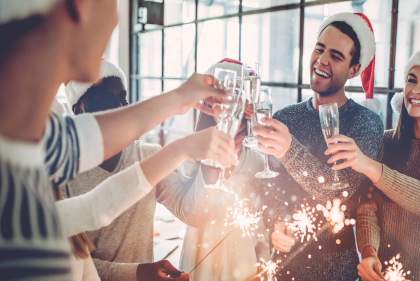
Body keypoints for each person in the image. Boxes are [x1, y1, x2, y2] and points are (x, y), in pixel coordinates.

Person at [0, 1, 236, 280]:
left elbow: (94, 206)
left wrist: (182, 130)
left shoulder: (36, 136)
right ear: (80, 8)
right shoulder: (29, 153)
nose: (115, 22)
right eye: (113, 7)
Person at [61, 59, 236, 281]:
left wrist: (211, 165)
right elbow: (73, 265)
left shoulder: (147, 155)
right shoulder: (61, 177)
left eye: (123, 99)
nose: (122, 109)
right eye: (107, 99)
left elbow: (192, 213)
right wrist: (138, 273)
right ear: (79, 110)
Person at [325, 47, 420, 281]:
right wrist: (368, 252)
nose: (416, 89)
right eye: (411, 80)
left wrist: (367, 164)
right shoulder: (386, 141)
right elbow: (368, 207)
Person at [253, 12, 384, 280]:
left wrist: (289, 149)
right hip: (284, 266)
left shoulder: (367, 123)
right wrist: (276, 222)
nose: (322, 60)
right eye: (319, 49)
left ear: (354, 69)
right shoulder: (286, 117)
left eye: (336, 56)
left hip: (336, 269)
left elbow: (339, 193)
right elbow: (271, 186)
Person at [178, 59, 270, 281]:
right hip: (200, 264)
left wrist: (263, 262)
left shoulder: (258, 161)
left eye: (237, 97)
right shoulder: (192, 154)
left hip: (243, 265)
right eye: (222, 100)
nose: (230, 107)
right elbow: (186, 210)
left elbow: (261, 223)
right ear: (209, 105)